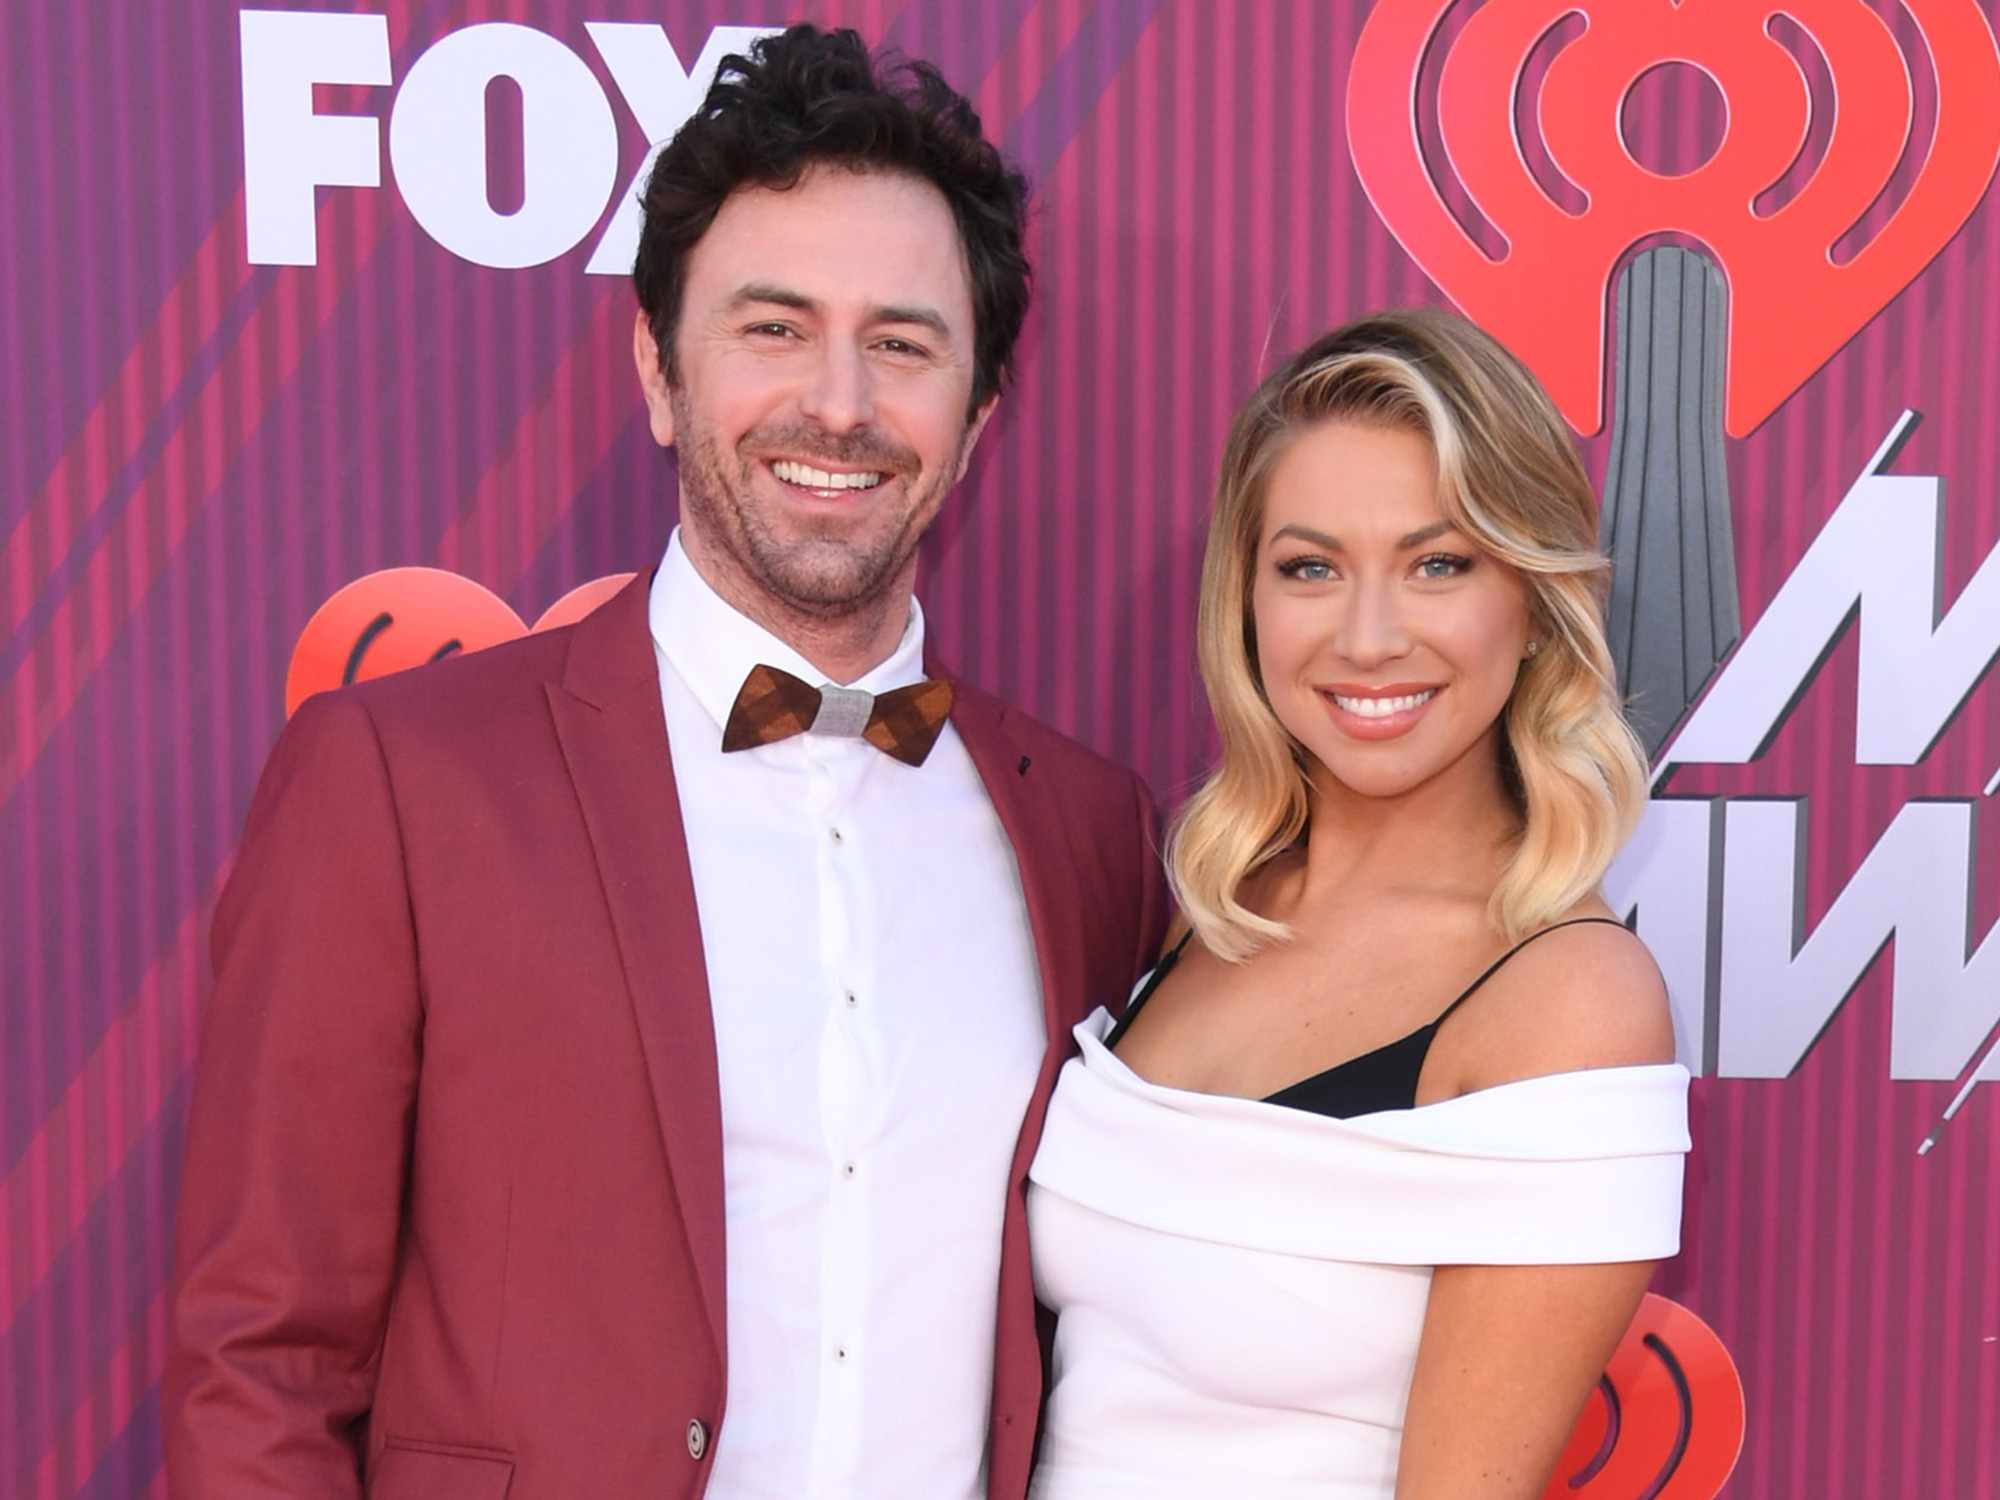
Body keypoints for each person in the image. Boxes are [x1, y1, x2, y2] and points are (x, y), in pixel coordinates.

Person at [165, 26, 1166, 1500]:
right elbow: (263, 1363)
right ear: (657, 370)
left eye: (902, 344)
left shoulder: (1088, 831)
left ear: (974, 422)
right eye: (773, 328)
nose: (840, 403)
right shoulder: (399, 785)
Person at [1025, 309, 1691, 1499]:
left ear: (1531, 603)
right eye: (1310, 568)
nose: (1368, 637)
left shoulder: (1566, 1002)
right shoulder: (1214, 908)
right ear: (1246, 602)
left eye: (1438, 564)